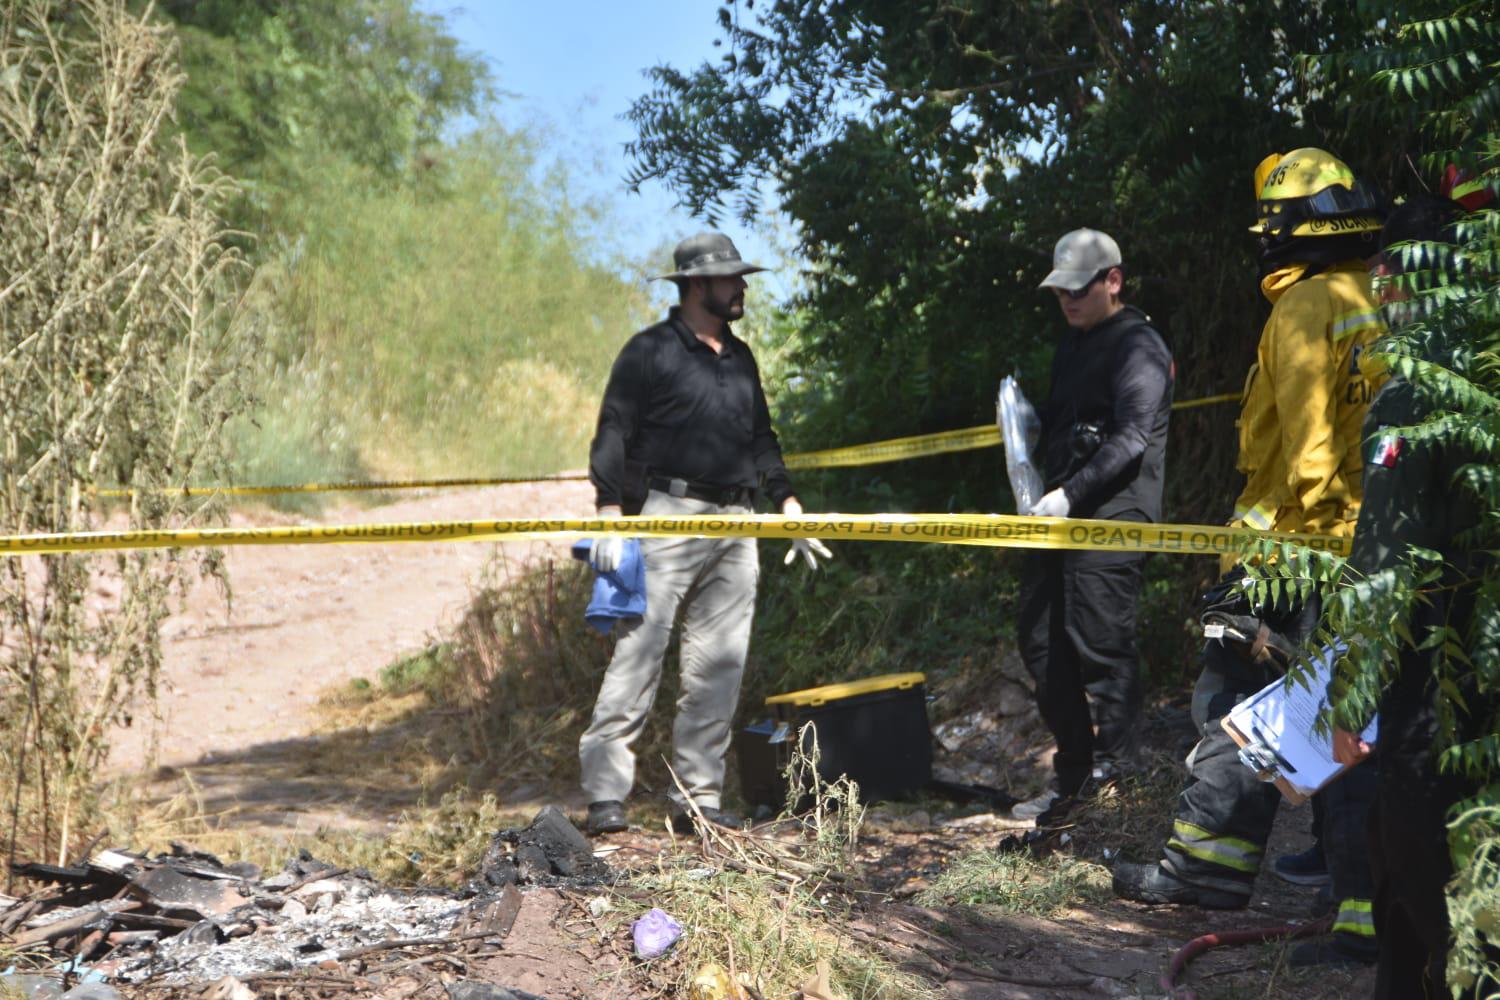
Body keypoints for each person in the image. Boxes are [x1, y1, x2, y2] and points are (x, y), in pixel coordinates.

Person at [1112, 149, 1388, 930]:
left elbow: (1308, 455)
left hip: (1293, 552)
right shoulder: (1381, 297)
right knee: (1348, 728)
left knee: (1239, 711)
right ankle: (1358, 909)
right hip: (1371, 547)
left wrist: (1303, 552)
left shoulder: (1302, 308)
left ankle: (1202, 873)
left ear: (1287, 228)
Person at [579, 232, 832, 837]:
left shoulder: (741, 358)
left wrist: (789, 504)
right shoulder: (648, 352)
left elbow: (761, 438)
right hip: (667, 515)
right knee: (638, 654)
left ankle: (696, 798)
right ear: (698, 285)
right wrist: (610, 513)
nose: (743, 287)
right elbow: (613, 430)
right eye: (732, 279)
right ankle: (605, 796)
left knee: (719, 666)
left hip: (738, 524)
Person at [1330, 190, 1497, 997]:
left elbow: (1387, 563)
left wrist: (1347, 693)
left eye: (1379, 279)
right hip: (1480, 662)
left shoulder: (1408, 395)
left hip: (1429, 664)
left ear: (1397, 280)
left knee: (1415, 839)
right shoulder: (1483, 370)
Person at [1011, 228, 1174, 821]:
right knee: (1039, 641)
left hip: (1113, 518)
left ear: (1113, 281)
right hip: (1058, 515)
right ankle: (1075, 782)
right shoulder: (1073, 343)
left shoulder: (1139, 345)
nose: (1068, 301)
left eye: (1079, 290)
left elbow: (1132, 438)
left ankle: (1121, 790)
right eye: (1060, 293)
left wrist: (1068, 495)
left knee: (1102, 647)